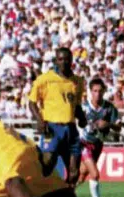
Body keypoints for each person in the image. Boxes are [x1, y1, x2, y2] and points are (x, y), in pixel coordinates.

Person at [28, 47, 87, 183]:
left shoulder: (77, 81)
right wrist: (39, 120)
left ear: (72, 61)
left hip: (71, 129)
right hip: (52, 128)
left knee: (74, 173)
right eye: (60, 59)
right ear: (56, 61)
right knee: (47, 165)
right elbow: (32, 102)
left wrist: (82, 118)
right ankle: (35, 188)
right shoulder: (45, 79)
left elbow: (76, 105)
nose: (64, 62)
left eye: (67, 59)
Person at [79, 77, 121, 197]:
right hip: (84, 143)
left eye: (100, 91)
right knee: (95, 174)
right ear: (90, 92)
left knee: (81, 176)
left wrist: (108, 124)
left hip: (98, 145)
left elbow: (119, 127)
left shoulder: (109, 108)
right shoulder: (84, 107)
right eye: (95, 91)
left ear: (104, 92)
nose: (97, 94)